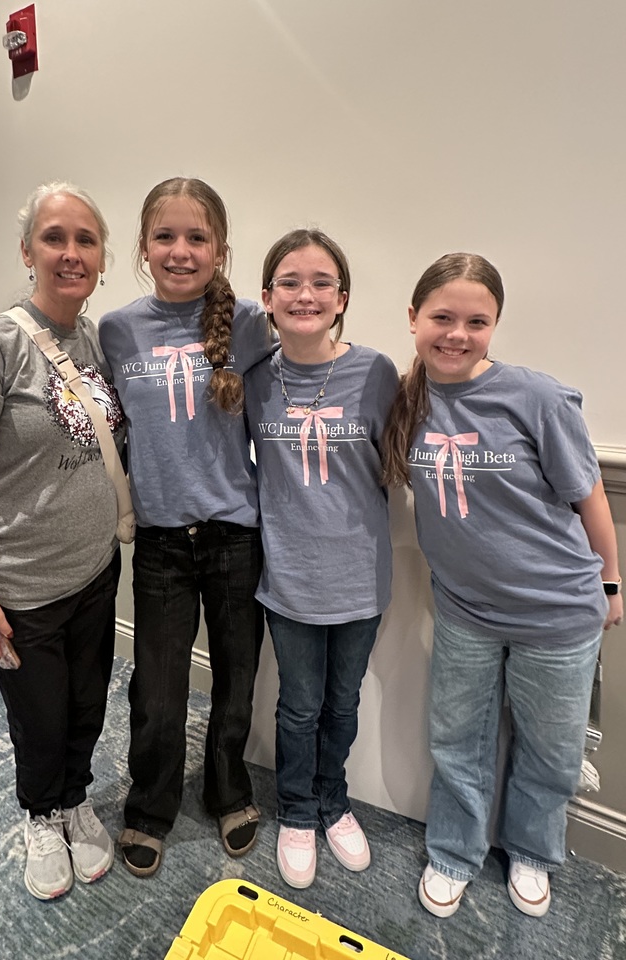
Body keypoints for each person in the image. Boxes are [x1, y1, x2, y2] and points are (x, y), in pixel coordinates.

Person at [381, 252, 623, 919]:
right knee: (457, 737)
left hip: (556, 611)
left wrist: (610, 580)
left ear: (494, 327)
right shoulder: (409, 399)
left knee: (551, 747)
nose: (457, 334)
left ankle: (532, 852)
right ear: (414, 318)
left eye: (476, 321)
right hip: (465, 612)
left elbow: (590, 495)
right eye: (442, 317)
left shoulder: (536, 397)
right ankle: (454, 852)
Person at [0, 181, 126, 901]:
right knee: (38, 717)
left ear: (102, 257)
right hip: (20, 587)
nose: (71, 252)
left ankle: (74, 798)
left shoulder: (98, 339)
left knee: (85, 704)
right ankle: (41, 814)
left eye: (85, 239)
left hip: (94, 570)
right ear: (27, 251)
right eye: (55, 237)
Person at [98, 177, 271, 877]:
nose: (180, 250)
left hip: (235, 538)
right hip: (163, 545)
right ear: (143, 246)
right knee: (159, 689)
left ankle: (228, 787)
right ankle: (150, 804)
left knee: (237, 680)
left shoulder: (252, 324)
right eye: (165, 236)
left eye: (196, 237)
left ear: (221, 248)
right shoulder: (117, 330)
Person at [245, 230, 398, 890]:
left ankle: (334, 802)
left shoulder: (376, 372)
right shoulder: (253, 379)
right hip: (290, 576)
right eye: (289, 282)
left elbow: (401, 462)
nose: (305, 294)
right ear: (267, 297)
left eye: (321, 283)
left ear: (342, 300)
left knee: (342, 704)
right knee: (299, 707)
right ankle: (299, 813)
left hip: (360, 577)